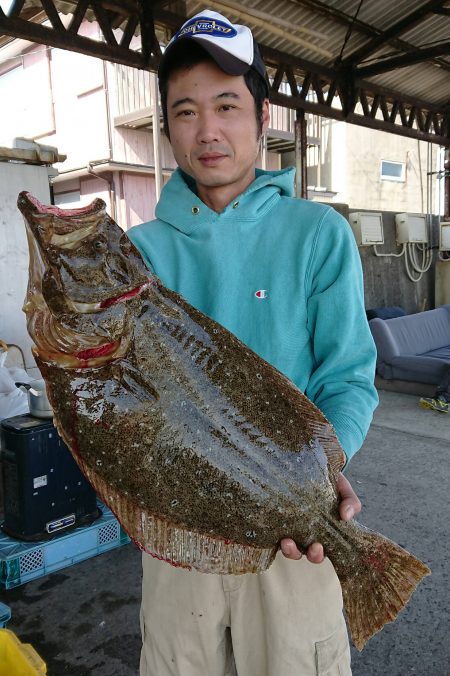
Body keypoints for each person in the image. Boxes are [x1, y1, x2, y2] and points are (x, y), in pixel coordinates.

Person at [128, 9, 378, 675]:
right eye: (185, 111)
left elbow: (348, 376)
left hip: (291, 536)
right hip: (178, 531)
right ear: (169, 127)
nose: (207, 130)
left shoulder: (318, 234)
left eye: (227, 105)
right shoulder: (136, 255)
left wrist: (327, 466)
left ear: (262, 118)